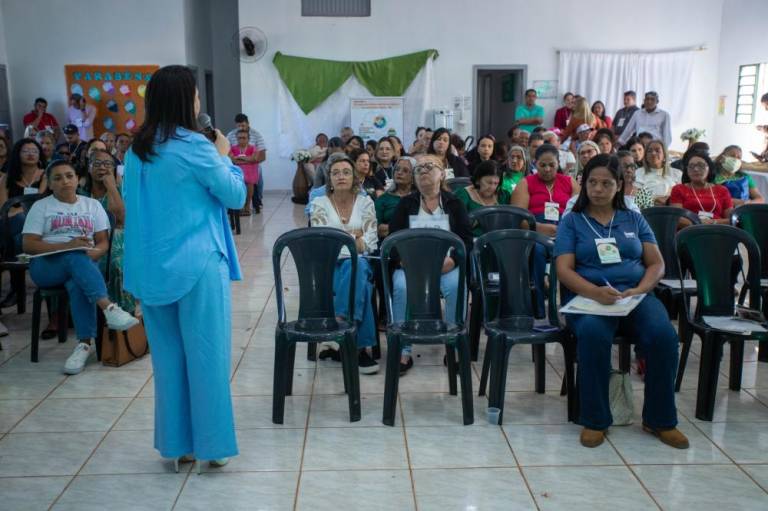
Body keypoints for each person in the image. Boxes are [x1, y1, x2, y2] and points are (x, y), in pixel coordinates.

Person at [123, 65, 245, 471]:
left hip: (151, 268)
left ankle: (179, 444)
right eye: (195, 95)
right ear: (184, 99)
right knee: (207, 356)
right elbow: (234, 195)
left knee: (169, 361)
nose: (199, 102)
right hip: (196, 264)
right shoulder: (194, 145)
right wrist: (225, 157)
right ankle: (211, 445)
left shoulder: (136, 150)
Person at [554, 154, 688, 450]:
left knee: (664, 336)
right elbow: (563, 269)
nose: (598, 189)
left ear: (619, 186)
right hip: (590, 299)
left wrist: (640, 289)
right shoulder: (572, 221)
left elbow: (657, 264)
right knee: (592, 335)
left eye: (606, 183)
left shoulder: (633, 218)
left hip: (635, 297)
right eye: (592, 182)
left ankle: (660, 419)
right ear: (584, 184)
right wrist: (595, 292)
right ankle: (594, 418)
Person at [22, 160, 140, 374]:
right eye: (57, 178)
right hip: (46, 266)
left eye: (69, 175)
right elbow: (29, 244)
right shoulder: (42, 206)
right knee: (74, 255)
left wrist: (95, 252)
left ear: (77, 179)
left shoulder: (92, 205)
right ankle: (109, 308)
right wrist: (68, 246)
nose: (65, 181)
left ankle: (83, 345)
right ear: (49, 183)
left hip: (82, 264)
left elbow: (103, 242)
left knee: (77, 280)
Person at [387, 154, 473, 374]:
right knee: (401, 287)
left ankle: (452, 347)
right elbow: (393, 239)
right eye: (419, 168)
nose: (423, 170)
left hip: (446, 265)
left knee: (455, 287)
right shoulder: (406, 203)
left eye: (430, 166)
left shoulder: (454, 203)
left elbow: (465, 239)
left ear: (442, 173)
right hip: (410, 266)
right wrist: (404, 261)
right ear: (414, 178)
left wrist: (453, 259)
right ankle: (403, 350)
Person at [309, 152, 379, 374]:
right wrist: (353, 235)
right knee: (362, 285)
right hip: (328, 265)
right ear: (329, 178)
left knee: (355, 265)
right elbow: (322, 242)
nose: (341, 176)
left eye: (346, 172)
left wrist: (340, 235)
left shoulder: (366, 201)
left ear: (354, 177)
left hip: (360, 262)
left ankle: (340, 325)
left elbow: (371, 242)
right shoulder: (319, 202)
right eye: (336, 172)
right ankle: (359, 349)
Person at [511, 144, 580, 316]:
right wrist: (540, 228)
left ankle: (569, 308)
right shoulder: (526, 183)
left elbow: (580, 213)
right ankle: (538, 309)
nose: (547, 169)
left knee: (572, 253)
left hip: (565, 231)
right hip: (535, 232)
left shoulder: (569, 182)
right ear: (535, 164)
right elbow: (519, 219)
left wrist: (564, 230)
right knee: (538, 250)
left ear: (558, 164)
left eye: (552, 165)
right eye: (542, 165)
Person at [83, 148, 138, 316]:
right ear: (89, 167)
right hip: (87, 239)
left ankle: (123, 311)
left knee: (117, 259)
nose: (102, 168)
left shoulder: (121, 191)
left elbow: (120, 220)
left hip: (113, 238)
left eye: (108, 164)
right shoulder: (81, 194)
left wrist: (112, 187)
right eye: (97, 163)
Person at [670, 151, 733, 224]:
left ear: (709, 168)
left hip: (718, 231)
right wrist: (700, 224)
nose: (695, 169)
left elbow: (731, 220)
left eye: (701, 165)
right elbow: (677, 218)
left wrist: (713, 222)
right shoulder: (679, 189)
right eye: (691, 166)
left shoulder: (722, 190)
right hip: (689, 231)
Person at [456, 161, 510, 234]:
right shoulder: (463, 195)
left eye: (496, 183)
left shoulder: (503, 195)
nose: (492, 187)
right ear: (478, 180)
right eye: (489, 182)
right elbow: (458, 225)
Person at [226, 114, 266, 213]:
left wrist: (245, 160)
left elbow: (262, 156)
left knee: (258, 172)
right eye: (239, 126)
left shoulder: (256, 134)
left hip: (253, 164)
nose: (241, 128)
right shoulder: (231, 135)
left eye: (243, 125)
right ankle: (236, 203)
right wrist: (239, 161)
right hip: (235, 164)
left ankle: (257, 200)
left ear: (248, 124)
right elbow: (228, 154)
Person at [375, 156, 415, 239]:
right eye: (397, 169)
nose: (399, 173)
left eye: (405, 170)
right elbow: (376, 228)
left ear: (413, 176)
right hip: (388, 243)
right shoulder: (383, 199)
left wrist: (391, 227)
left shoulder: (419, 198)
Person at [636, 140, 682, 205]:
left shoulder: (677, 173)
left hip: (672, 210)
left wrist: (667, 200)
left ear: (664, 155)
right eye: (649, 151)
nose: (653, 153)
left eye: (657, 151)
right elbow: (636, 195)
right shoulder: (638, 173)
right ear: (645, 156)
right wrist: (655, 199)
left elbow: (682, 195)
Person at [229, 129, 260, 216]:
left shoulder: (253, 148)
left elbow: (254, 158)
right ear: (236, 138)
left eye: (244, 138)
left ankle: (247, 206)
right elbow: (232, 160)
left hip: (250, 172)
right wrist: (247, 159)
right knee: (239, 182)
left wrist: (240, 158)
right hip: (237, 173)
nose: (241, 140)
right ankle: (241, 206)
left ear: (248, 139)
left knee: (249, 182)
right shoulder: (233, 148)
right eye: (239, 138)